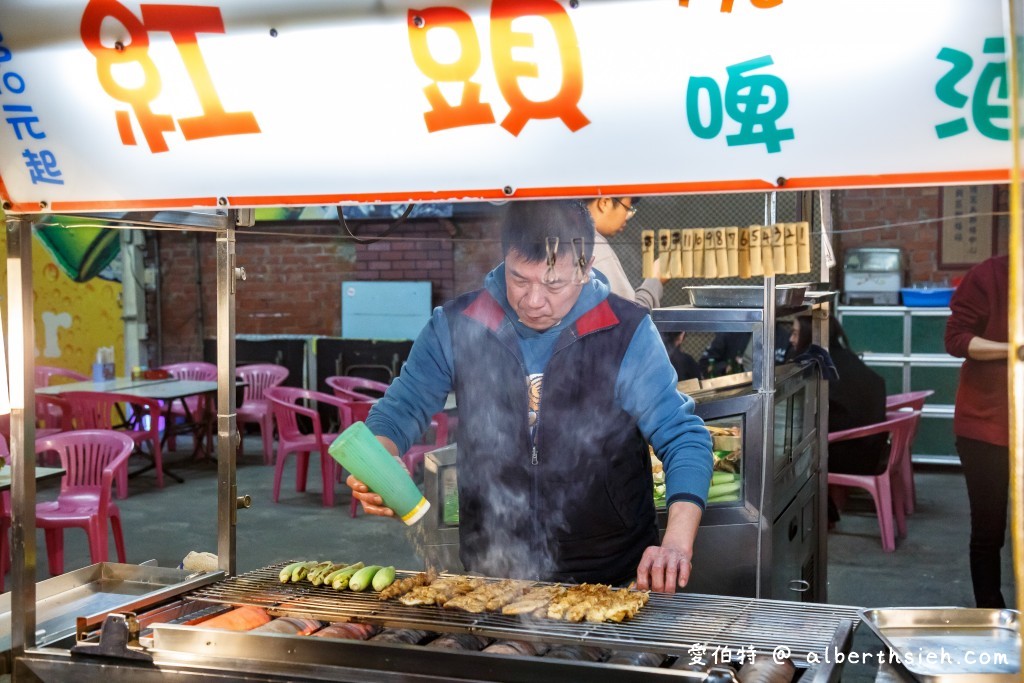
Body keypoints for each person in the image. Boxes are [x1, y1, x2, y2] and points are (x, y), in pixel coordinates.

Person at [348, 200, 713, 592]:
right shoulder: (459, 324)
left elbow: (683, 437)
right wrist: (379, 457)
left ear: (586, 267)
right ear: (506, 258)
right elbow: (402, 407)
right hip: (492, 574)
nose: (534, 300)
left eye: (553, 283)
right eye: (520, 279)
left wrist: (676, 542)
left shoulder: (625, 331)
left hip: (610, 575)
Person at [944, 254, 1010, 609]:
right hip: (985, 425)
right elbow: (956, 340)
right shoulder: (989, 275)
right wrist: (1015, 351)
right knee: (989, 529)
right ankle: (991, 614)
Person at [789, 315, 887, 522]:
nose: (790, 339)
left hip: (853, 456)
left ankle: (819, 518)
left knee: (791, 455)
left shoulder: (818, 366)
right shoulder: (843, 357)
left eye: (796, 333)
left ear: (809, 336)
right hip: (873, 449)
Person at [585, 196, 664, 309]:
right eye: (627, 208)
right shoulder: (594, 245)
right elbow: (629, 317)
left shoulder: (565, 235)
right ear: (605, 203)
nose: (627, 216)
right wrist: (656, 278)